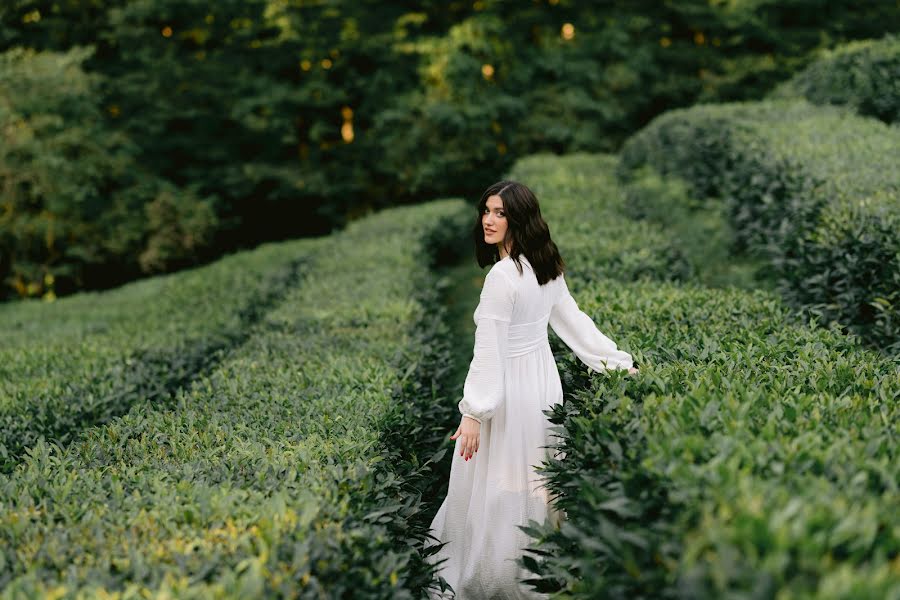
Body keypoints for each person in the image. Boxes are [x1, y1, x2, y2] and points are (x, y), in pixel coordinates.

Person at [423, 180, 639, 599]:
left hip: (508, 388)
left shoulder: (503, 278)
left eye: (500, 213)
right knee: (532, 474)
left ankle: (499, 576)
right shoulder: (545, 265)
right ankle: (541, 566)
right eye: (486, 210)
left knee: (501, 479)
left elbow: (490, 351)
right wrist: (615, 361)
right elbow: (576, 325)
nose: (488, 220)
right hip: (541, 385)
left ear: (519, 218)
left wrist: (473, 412)